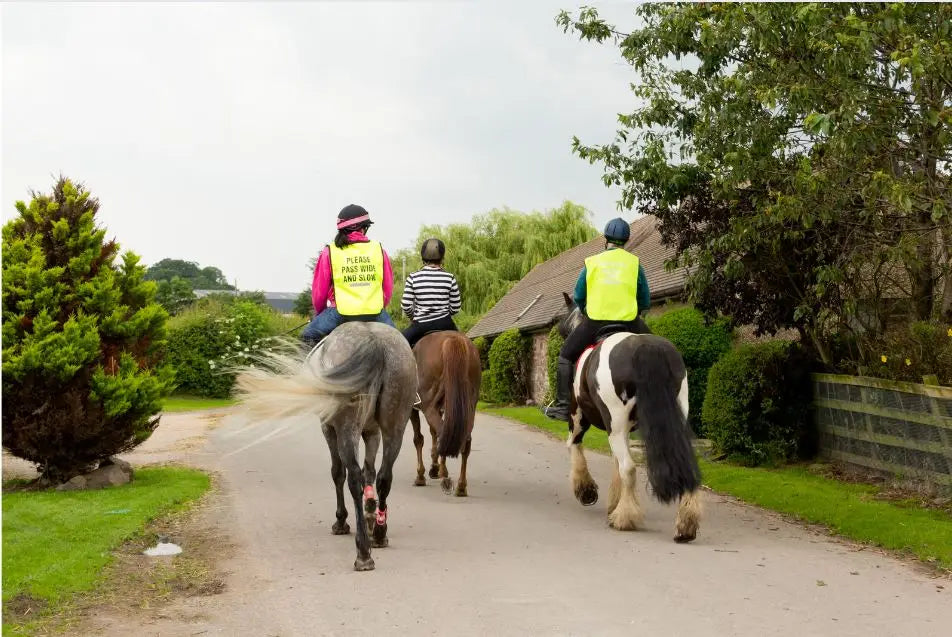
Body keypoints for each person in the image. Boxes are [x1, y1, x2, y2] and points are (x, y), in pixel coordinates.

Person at [544, 217, 651, 422]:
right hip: (630, 322)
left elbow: (579, 296)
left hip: (596, 322)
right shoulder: (634, 263)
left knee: (565, 356)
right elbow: (645, 300)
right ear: (626, 241)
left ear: (606, 239)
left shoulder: (592, 262)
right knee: (658, 351)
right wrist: (635, 312)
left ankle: (563, 406)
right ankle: (661, 403)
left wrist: (586, 310)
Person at [300, 204, 396, 347]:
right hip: (375, 313)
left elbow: (319, 293)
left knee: (307, 336)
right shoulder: (379, 249)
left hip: (339, 313)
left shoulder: (329, 251)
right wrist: (380, 306)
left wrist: (320, 312)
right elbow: (387, 288)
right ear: (364, 227)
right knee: (400, 344)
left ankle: (306, 370)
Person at [401, 238, 462, 347]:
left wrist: (413, 316)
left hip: (421, 325)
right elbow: (456, 307)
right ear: (442, 258)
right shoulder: (449, 277)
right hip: (445, 323)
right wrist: (443, 314)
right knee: (464, 345)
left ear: (423, 257)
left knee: (399, 345)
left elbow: (406, 305)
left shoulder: (413, 277)